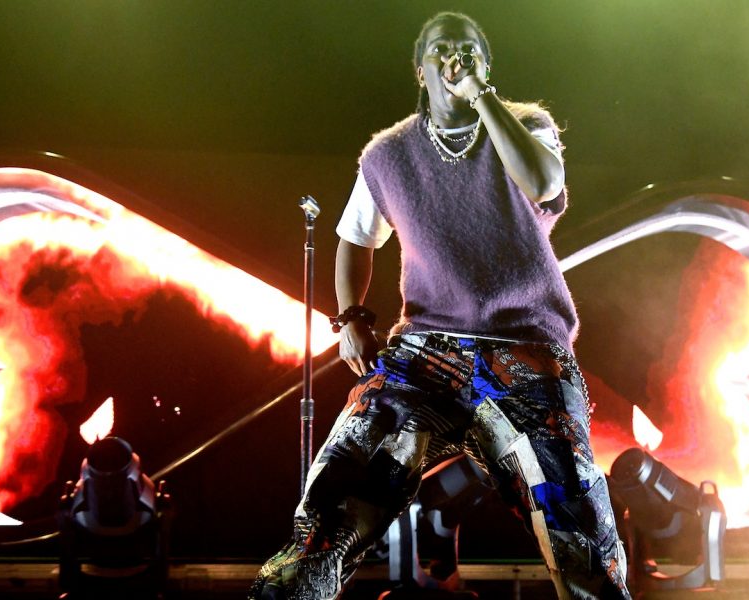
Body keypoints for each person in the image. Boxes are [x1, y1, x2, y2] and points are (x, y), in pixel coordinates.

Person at [250, 11, 631, 600]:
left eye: (469, 50)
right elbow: (355, 237)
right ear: (420, 68)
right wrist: (351, 317)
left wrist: (482, 98)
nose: (455, 57)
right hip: (425, 353)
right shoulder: (388, 156)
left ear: (484, 64)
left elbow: (543, 185)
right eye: (442, 49)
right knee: (334, 497)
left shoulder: (526, 126)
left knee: (577, 525)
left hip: (524, 350)